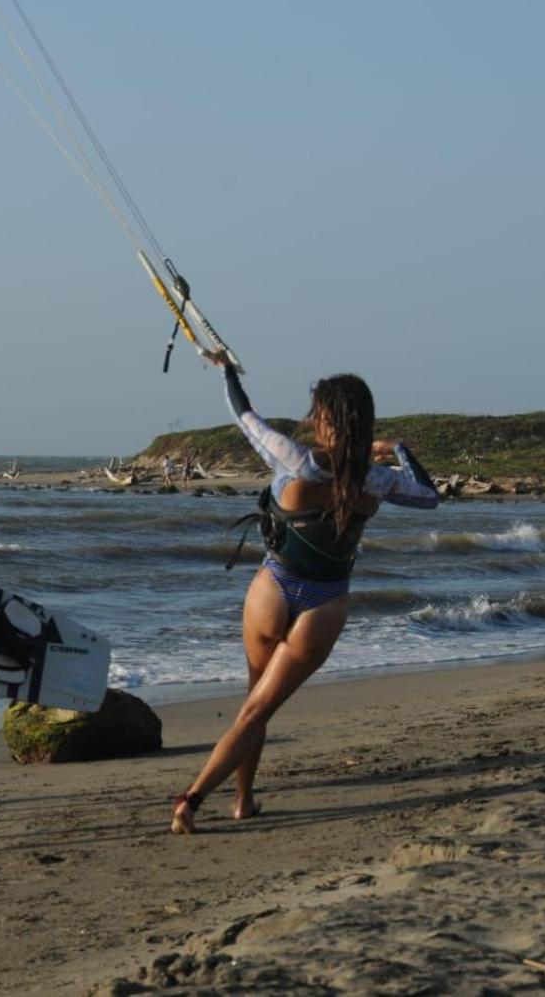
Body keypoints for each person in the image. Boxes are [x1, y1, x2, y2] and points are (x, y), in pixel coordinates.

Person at [170, 356, 439, 834]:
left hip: (271, 591)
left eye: (317, 411)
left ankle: (232, 799)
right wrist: (397, 447)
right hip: (324, 604)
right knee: (259, 710)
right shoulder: (375, 479)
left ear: (324, 419)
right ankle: (203, 799)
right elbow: (429, 496)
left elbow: (242, 413)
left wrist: (225, 369)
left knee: (252, 703)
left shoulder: (292, 458)